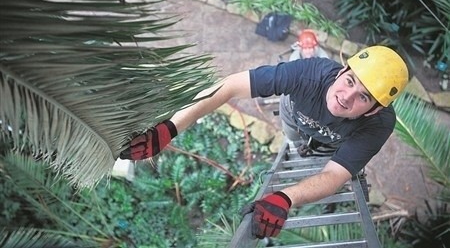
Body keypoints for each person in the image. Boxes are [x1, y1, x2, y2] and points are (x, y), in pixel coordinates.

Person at [120, 45, 409, 239]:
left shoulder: (378, 125)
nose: (346, 96)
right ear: (343, 70)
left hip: (335, 141)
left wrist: (286, 197)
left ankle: (311, 148)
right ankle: (300, 147)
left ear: (375, 109)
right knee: (295, 141)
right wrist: (170, 128)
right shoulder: (308, 74)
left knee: (328, 157)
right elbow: (230, 85)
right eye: (350, 81)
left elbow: (334, 175)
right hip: (295, 119)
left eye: (364, 97)